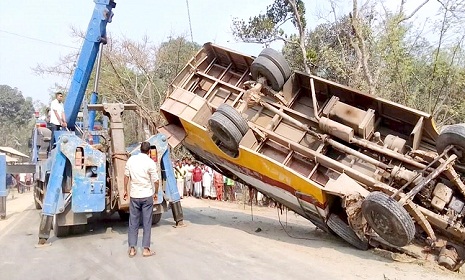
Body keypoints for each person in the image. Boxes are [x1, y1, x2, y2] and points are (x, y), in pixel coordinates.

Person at [123, 141, 159, 258]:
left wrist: (125, 190)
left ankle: (132, 249)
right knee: (147, 222)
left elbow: (126, 176)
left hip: (134, 195)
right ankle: (146, 249)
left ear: (140, 149)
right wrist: (156, 193)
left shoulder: (131, 160)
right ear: (149, 151)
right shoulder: (150, 162)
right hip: (147, 195)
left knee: (133, 222)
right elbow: (156, 181)